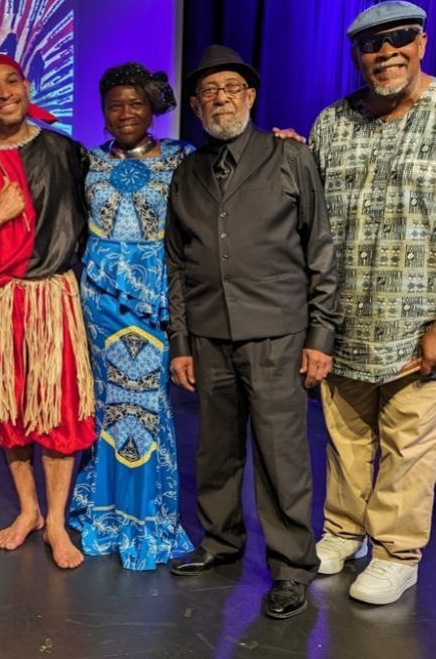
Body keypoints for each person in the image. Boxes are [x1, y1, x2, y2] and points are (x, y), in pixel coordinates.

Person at [309, 0, 436, 605]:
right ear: (357, 55)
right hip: (345, 325)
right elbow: (311, 221)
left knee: (409, 445)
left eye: (400, 39)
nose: (387, 52)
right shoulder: (333, 122)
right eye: (373, 44)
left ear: (422, 42)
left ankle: (397, 552)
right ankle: (342, 532)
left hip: (422, 328)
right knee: (345, 439)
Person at [165, 45, 341, 619]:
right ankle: (220, 542)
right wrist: (183, 344)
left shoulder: (289, 158)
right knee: (215, 452)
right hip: (211, 334)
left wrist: (321, 336)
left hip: (277, 334)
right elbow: (177, 263)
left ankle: (291, 566)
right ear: (195, 105)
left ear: (251, 97)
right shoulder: (187, 172)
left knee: (279, 453)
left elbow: (320, 250)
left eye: (231, 89)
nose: (221, 99)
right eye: (209, 92)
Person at [0, 54, 95, 569]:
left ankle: (56, 520)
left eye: (12, 82)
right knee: (8, 416)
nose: (4, 93)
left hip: (51, 298)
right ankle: (28, 510)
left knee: (57, 413)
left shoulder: (65, 151)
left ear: (27, 87)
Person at [68, 62, 194, 570]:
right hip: (98, 301)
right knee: (107, 405)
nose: (125, 112)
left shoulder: (182, 159)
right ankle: (104, 510)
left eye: (135, 103)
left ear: (152, 109)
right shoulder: (86, 162)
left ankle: (147, 516)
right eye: (115, 104)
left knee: (145, 405)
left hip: (153, 300)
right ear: (103, 110)